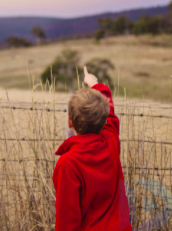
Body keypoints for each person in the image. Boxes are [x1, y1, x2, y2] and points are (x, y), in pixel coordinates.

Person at [52, 66, 131, 231]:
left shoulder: (68, 164)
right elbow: (110, 114)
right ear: (103, 120)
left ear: (70, 122)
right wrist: (95, 84)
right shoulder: (111, 142)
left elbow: (67, 220)